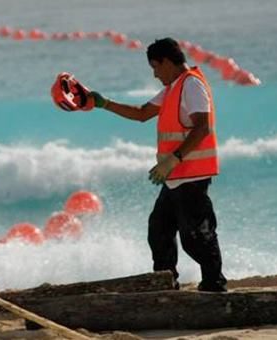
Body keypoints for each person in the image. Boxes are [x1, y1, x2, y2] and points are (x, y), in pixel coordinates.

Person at [89, 38, 227, 292]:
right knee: (159, 230)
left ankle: (214, 285)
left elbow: (203, 126)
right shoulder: (172, 87)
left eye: (155, 67)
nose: (154, 74)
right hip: (175, 177)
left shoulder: (192, 85)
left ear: (166, 61)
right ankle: (166, 284)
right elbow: (141, 113)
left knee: (195, 237)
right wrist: (102, 103)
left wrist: (174, 159)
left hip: (191, 176)